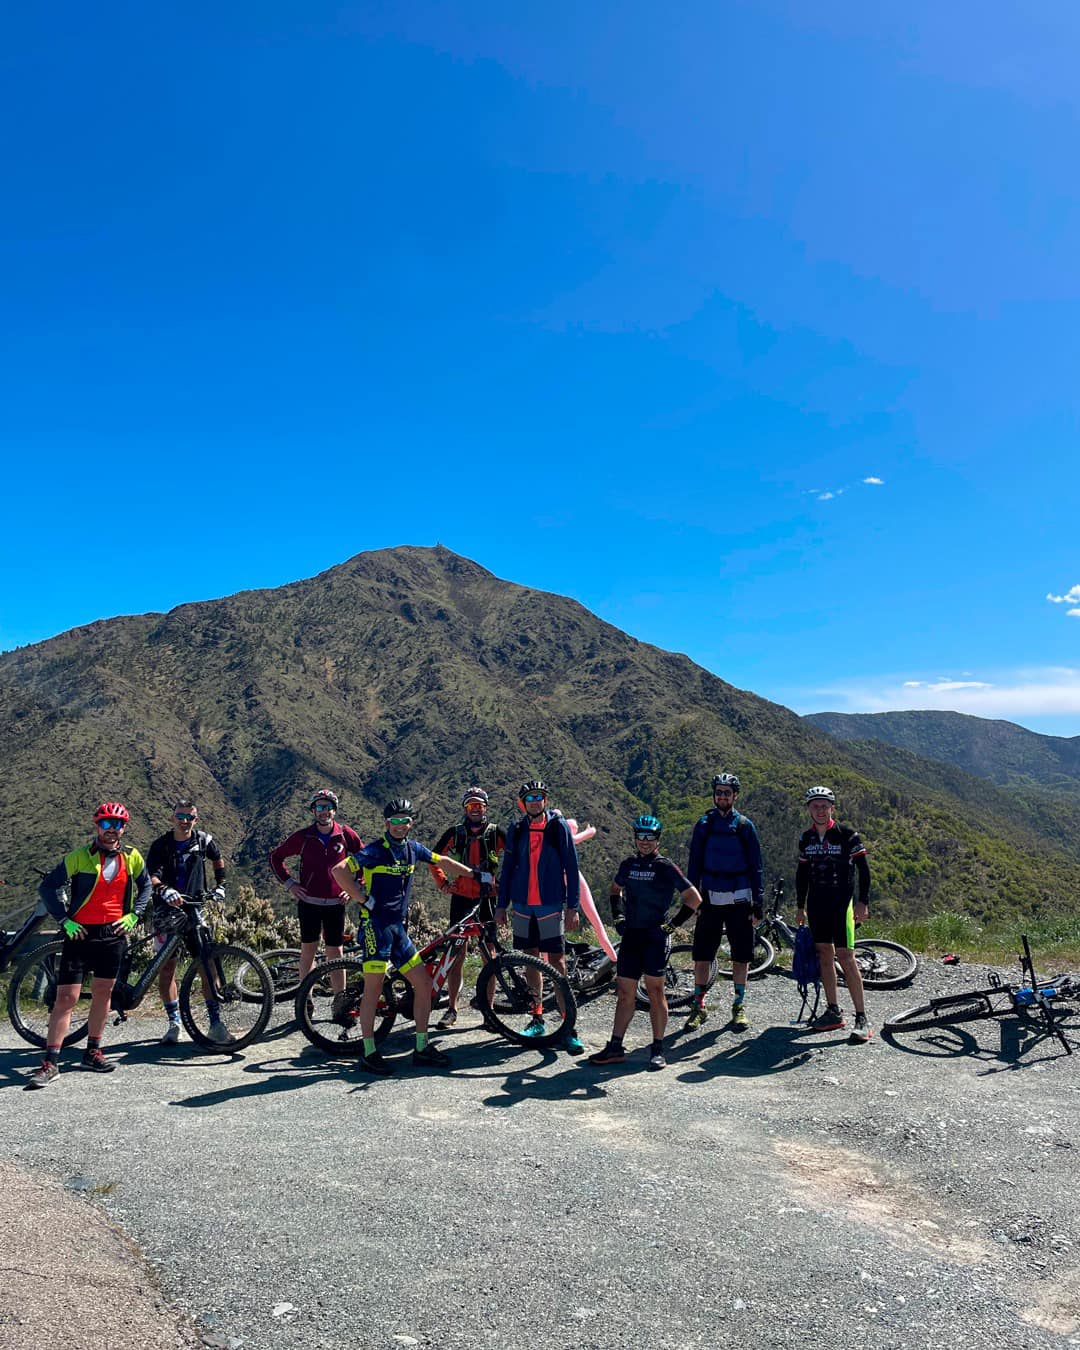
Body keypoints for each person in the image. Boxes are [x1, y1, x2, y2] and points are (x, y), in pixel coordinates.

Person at [331, 798, 476, 1076]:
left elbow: (442, 860)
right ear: (386, 823)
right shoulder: (374, 851)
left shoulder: (412, 849)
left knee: (423, 984)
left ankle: (421, 1048)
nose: (399, 825)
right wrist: (364, 900)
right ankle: (369, 1052)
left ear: (411, 823)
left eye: (404, 820)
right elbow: (338, 871)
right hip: (376, 928)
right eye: (394, 821)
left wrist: (475, 875)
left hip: (397, 929)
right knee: (373, 990)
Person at [28, 803, 152, 1087]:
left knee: (102, 995)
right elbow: (48, 887)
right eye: (106, 824)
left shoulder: (132, 857)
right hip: (80, 934)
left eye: (117, 825)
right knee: (65, 999)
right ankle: (51, 1062)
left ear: (124, 828)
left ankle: (93, 1050)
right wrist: (64, 920)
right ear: (97, 826)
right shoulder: (79, 857)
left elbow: (145, 886)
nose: (111, 830)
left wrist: (134, 915)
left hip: (113, 935)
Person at [588, 815, 703, 1070]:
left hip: (654, 937)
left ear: (658, 839)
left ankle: (658, 1048)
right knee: (625, 992)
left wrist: (672, 925)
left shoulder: (665, 866)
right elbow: (614, 889)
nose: (645, 841)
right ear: (635, 838)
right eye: (641, 836)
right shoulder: (628, 864)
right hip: (632, 936)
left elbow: (694, 898)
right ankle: (616, 1046)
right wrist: (617, 915)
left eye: (650, 837)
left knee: (655, 992)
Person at [494, 779, 584, 1054]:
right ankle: (538, 1017)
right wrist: (501, 905)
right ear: (523, 802)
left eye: (539, 796)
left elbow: (571, 864)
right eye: (530, 797)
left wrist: (573, 906)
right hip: (522, 905)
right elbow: (507, 868)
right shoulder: (517, 829)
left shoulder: (557, 827)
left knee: (557, 963)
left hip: (550, 904)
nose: (534, 801)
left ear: (545, 800)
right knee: (531, 961)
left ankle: (569, 1026)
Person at [269, 789, 365, 1004]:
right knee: (308, 951)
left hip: (335, 903)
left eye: (328, 807)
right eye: (320, 807)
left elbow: (365, 859)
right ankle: (306, 1000)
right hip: (309, 902)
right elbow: (276, 857)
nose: (325, 811)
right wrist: (290, 883)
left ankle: (340, 1000)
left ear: (335, 810)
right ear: (313, 811)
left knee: (336, 953)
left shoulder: (345, 834)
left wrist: (354, 887)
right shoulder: (304, 836)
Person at [685, 772, 764, 1031]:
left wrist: (758, 901)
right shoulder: (704, 825)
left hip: (740, 897)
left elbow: (756, 866)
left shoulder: (744, 826)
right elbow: (694, 864)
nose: (722, 796)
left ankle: (738, 1006)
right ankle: (699, 1006)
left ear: (735, 795)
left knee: (741, 956)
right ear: (714, 794)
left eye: (727, 793)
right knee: (702, 956)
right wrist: (691, 898)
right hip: (709, 898)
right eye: (719, 792)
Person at [146, 799, 228, 1044]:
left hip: (194, 909)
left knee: (207, 964)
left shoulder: (204, 840)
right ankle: (174, 1023)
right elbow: (152, 876)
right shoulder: (161, 844)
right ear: (172, 818)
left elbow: (218, 858)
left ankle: (215, 1022)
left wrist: (220, 885)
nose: (184, 821)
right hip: (166, 910)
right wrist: (163, 890)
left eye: (189, 817)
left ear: (196, 819)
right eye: (180, 816)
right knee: (167, 967)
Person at [795, 785, 872, 1041]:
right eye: (815, 805)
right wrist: (799, 906)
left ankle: (861, 1016)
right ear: (808, 809)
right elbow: (802, 874)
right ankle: (833, 1011)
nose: (820, 810)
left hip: (842, 904)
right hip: (817, 905)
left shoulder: (846, 834)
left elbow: (864, 868)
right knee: (824, 955)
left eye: (824, 805)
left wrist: (863, 902)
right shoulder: (805, 839)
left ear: (832, 808)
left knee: (846, 957)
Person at [428, 786, 506, 1028]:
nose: (475, 810)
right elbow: (434, 857)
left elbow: (516, 858)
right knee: (456, 955)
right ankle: (452, 1009)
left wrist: (503, 885)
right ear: (464, 808)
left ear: (486, 808)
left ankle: (489, 1011)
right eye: (471, 805)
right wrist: (443, 883)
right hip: (461, 899)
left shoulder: (495, 833)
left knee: (488, 955)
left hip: (487, 899)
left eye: (479, 805)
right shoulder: (456, 833)